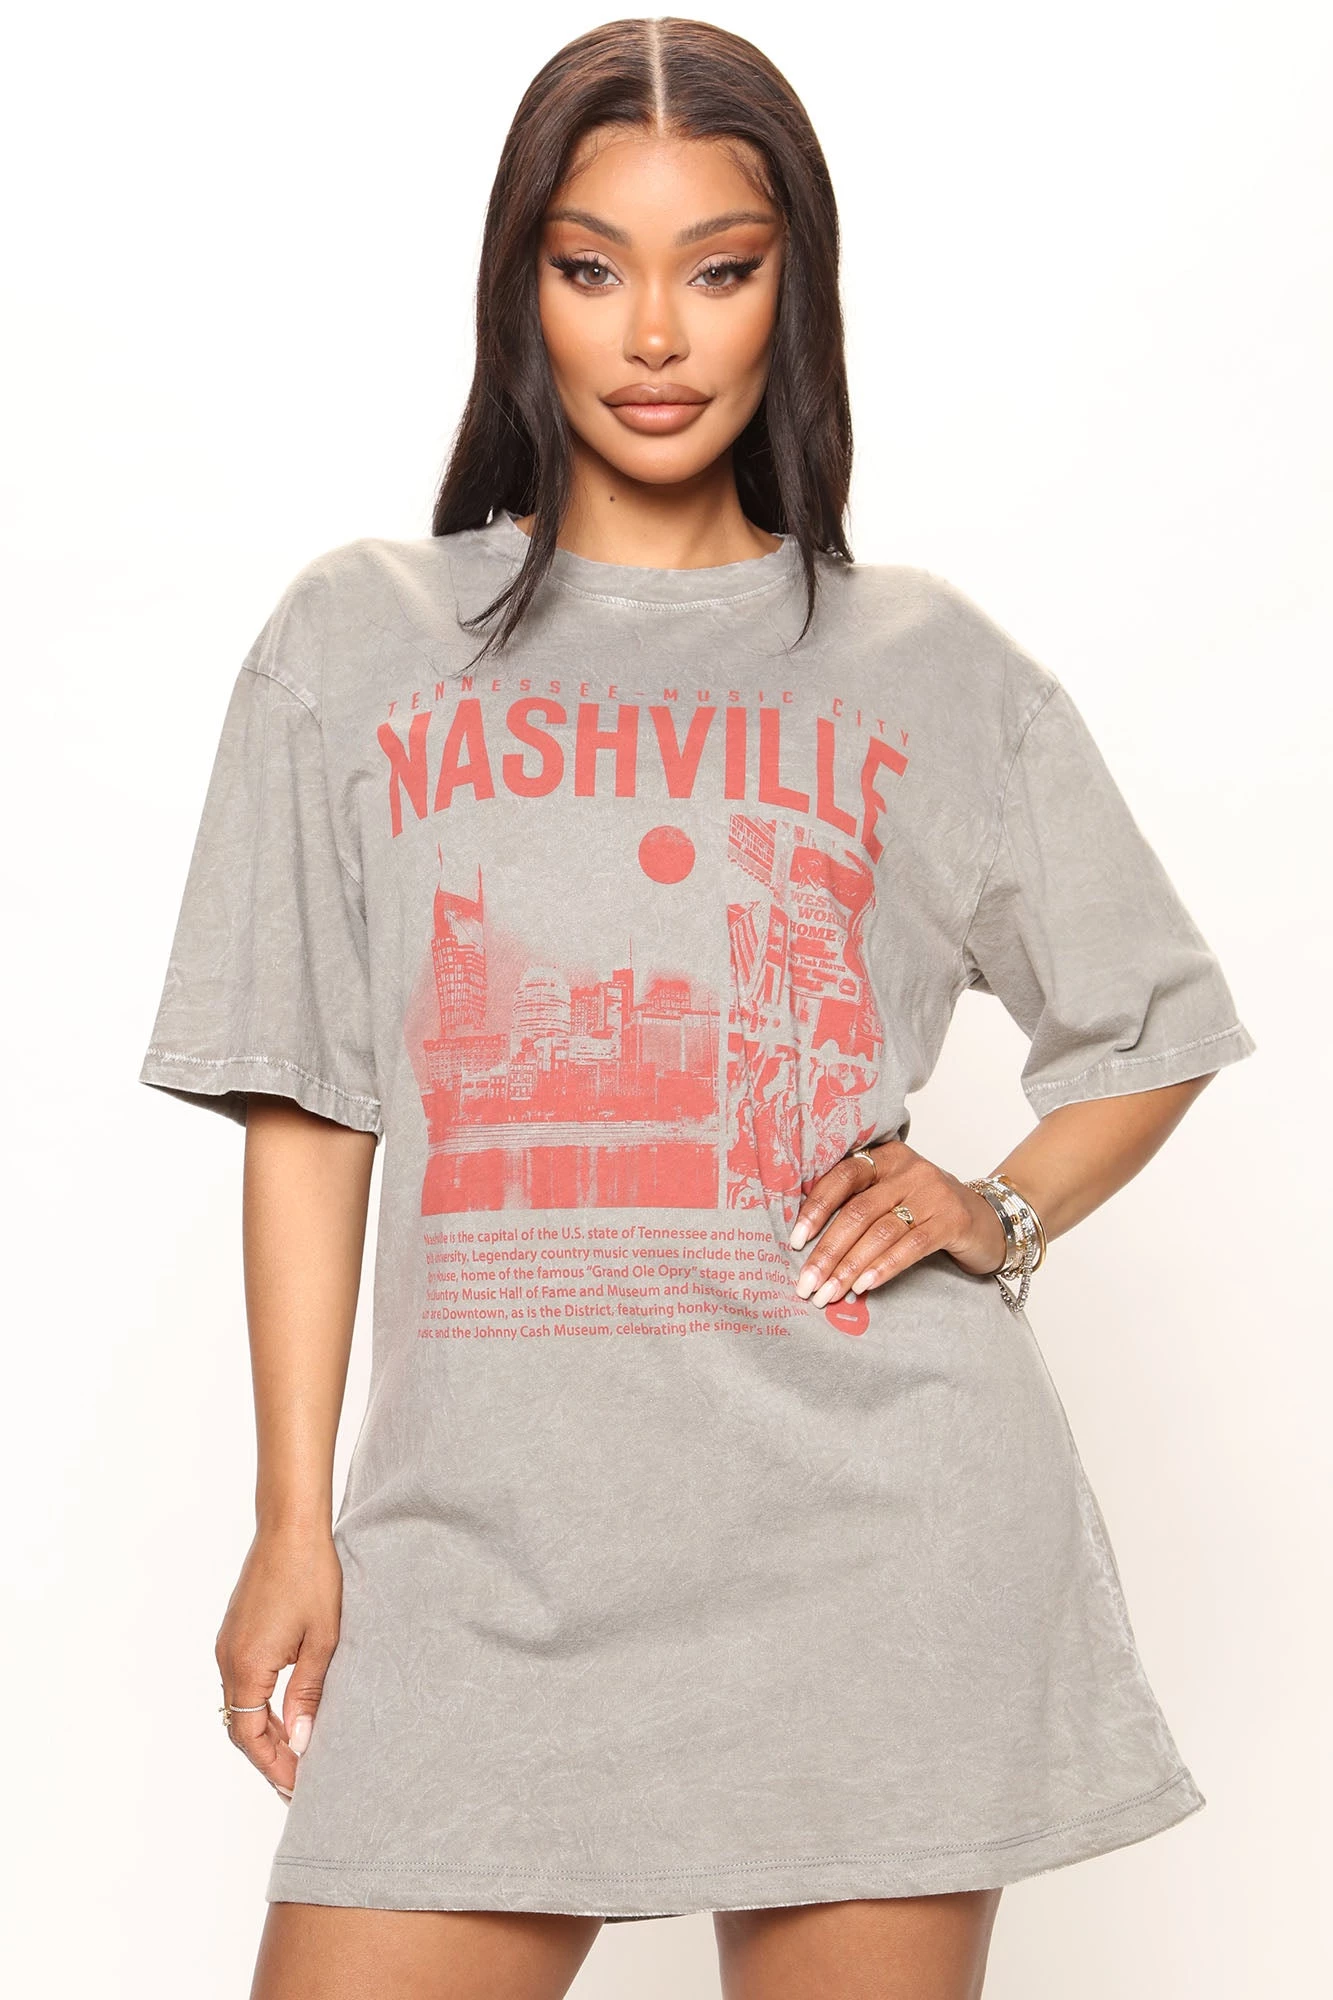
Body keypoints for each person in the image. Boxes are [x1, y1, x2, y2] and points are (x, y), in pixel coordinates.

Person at [136, 18, 1257, 2000]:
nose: (655, 334)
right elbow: (310, 1105)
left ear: (789, 293)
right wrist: (291, 1518)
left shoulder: (926, 666)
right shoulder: (359, 644)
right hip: (482, 1563)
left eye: (719, 268)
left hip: (876, 1553)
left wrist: (996, 1209)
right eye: (594, 267)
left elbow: (1153, 1020)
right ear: (522, 287)